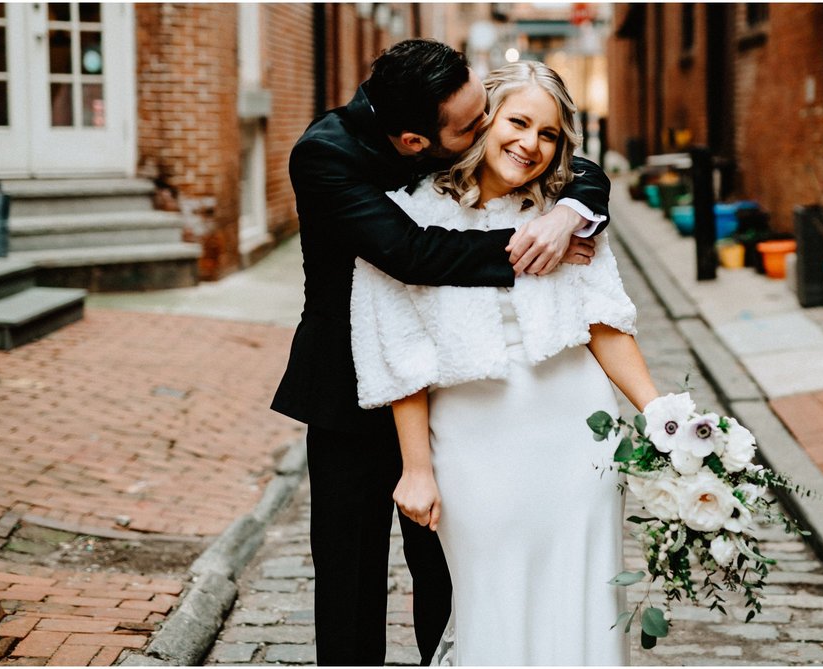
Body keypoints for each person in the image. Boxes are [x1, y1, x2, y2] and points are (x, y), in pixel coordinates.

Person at [270, 39, 613, 666]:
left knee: (450, 578)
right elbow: (412, 255)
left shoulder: (450, 127)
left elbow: (578, 166)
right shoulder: (324, 155)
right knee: (349, 580)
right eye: (477, 122)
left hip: (448, 396)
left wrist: (567, 213)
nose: (491, 125)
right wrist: (533, 246)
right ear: (414, 144)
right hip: (347, 391)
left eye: (487, 106)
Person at [349, 61, 661, 665]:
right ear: (484, 120)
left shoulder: (566, 217)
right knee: (488, 597)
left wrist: (663, 416)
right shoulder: (408, 217)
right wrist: (417, 469)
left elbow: (603, 320)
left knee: (583, 594)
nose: (531, 145)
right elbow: (400, 357)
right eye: (519, 122)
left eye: (548, 134)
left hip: (577, 436)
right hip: (471, 440)